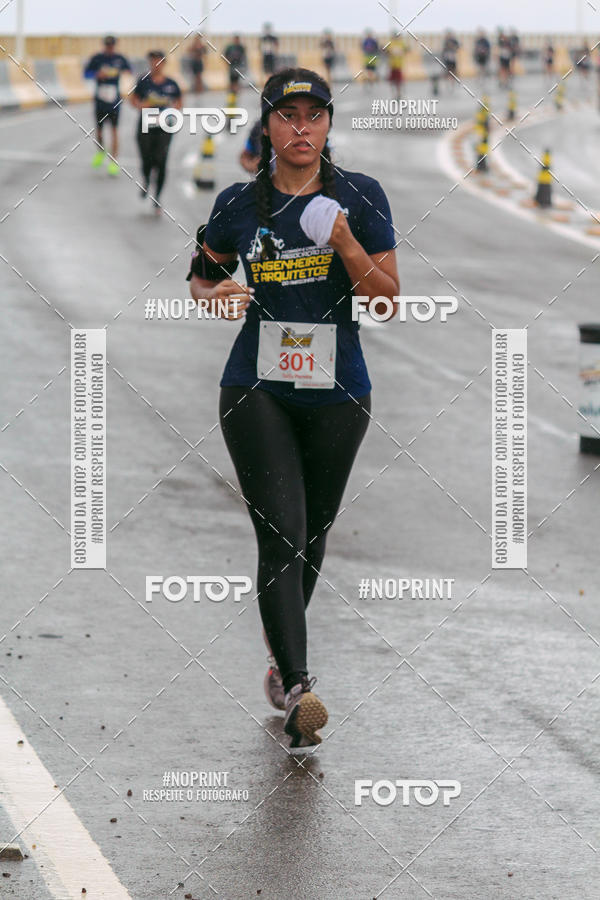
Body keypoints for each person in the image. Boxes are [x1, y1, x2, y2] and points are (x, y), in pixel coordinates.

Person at [187, 68, 399, 751]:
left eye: (314, 115)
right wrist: (212, 294)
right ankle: (302, 689)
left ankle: (280, 664)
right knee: (281, 530)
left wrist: (342, 241)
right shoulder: (238, 204)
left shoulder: (360, 197)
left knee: (312, 535)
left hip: (340, 393)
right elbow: (202, 273)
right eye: (288, 115)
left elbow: (388, 297)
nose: (301, 127)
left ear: (329, 125)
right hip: (256, 389)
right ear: (269, 126)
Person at [130, 51, 182, 214]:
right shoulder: (143, 81)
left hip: (164, 126)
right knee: (146, 158)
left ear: (164, 64)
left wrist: (172, 109)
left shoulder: (171, 84)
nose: (155, 65)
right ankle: (146, 179)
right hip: (146, 124)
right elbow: (133, 99)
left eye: (159, 62)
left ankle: (157, 197)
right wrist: (141, 105)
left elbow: (179, 101)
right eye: (153, 62)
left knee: (161, 160)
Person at [83, 35, 131, 175]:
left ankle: (114, 161)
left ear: (115, 45)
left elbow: (129, 71)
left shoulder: (120, 59)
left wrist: (121, 72)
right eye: (107, 45)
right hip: (100, 99)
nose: (109, 48)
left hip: (114, 99)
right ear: (104, 45)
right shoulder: (97, 58)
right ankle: (101, 151)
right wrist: (97, 74)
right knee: (99, 130)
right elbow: (86, 73)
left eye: (112, 45)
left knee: (115, 130)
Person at [385, 32, 407, 99]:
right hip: (392, 64)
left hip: (399, 65)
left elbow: (406, 50)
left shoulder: (401, 43)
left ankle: (398, 93)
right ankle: (393, 94)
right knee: (392, 81)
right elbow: (386, 51)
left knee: (399, 81)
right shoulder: (390, 43)